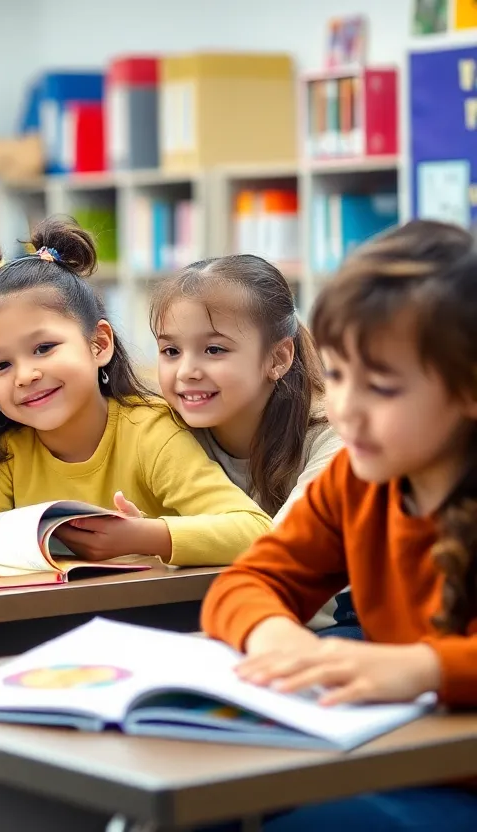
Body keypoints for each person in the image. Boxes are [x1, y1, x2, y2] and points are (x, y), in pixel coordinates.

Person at [200, 220, 477, 830]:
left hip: (446, 775)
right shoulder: (356, 479)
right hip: (395, 753)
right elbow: (246, 583)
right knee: (201, 805)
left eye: (381, 386)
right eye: (340, 375)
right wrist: (278, 639)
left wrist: (425, 669)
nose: (347, 407)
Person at [0, 219, 270, 566]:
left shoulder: (150, 432)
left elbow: (255, 529)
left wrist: (146, 537)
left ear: (99, 344)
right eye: (0, 365)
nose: (25, 376)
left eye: (44, 348)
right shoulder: (5, 450)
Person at [149, 255, 349, 633]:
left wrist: (155, 536)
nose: (187, 372)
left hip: (327, 628)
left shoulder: (335, 438)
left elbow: (281, 557)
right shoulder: (163, 431)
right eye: (170, 351)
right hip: (223, 621)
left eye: (214, 350)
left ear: (278, 358)